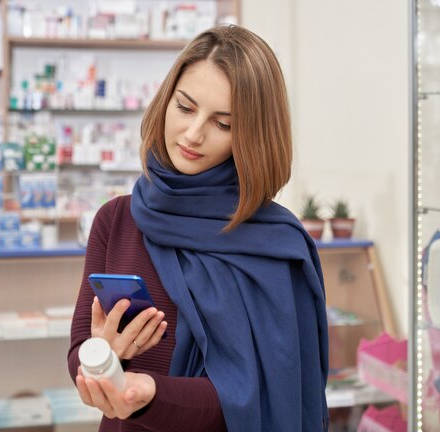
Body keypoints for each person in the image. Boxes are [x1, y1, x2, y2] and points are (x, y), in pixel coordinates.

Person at [67, 25, 329, 432]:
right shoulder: (116, 219)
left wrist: (152, 394)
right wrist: (103, 356)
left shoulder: (275, 247)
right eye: (185, 108)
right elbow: (78, 355)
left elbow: (261, 398)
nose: (193, 134)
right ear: (165, 100)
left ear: (253, 136)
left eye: (223, 124)